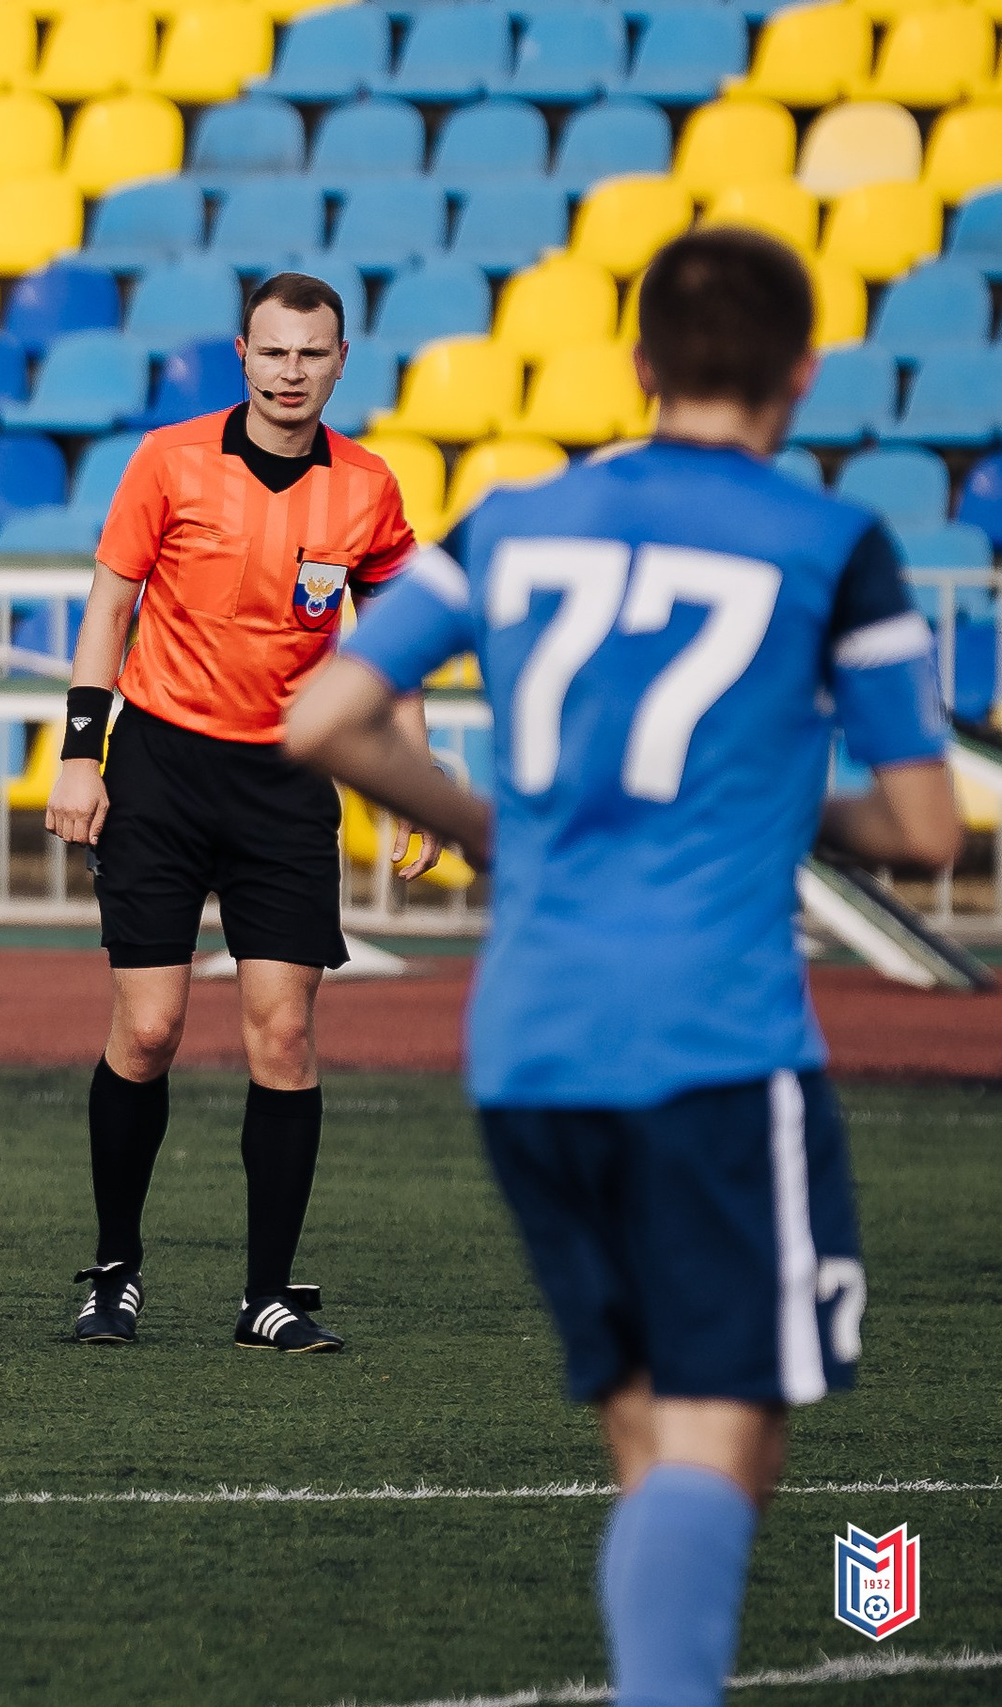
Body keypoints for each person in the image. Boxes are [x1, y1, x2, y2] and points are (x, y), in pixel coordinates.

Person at [283, 229, 961, 1707]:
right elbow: (922, 823)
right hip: (714, 1039)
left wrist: (494, 824)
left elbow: (326, 715)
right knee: (731, 1434)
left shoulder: (516, 518)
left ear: (642, 366)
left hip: (528, 1037)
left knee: (651, 1427)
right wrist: (783, 800)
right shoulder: (830, 541)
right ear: (804, 373)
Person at [45, 271, 441, 1353]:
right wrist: (81, 755)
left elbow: (392, 645)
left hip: (284, 781)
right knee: (150, 1027)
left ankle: (269, 1294)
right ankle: (113, 1272)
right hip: (162, 770)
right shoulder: (168, 459)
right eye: (272, 351)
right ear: (242, 354)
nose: (290, 371)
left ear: (339, 362)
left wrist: (419, 779)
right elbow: (110, 603)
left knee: (282, 1033)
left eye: (311, 354)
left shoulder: (366, 488)